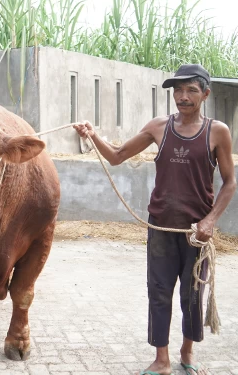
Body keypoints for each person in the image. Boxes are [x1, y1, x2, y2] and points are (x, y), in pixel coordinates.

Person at [73, 64, 236, 375]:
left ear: (205, 94)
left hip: (195, 233)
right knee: (158, 291)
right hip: (160, 225)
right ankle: (161, 360)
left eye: (190, 90)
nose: (182, 97)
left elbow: (230, 182)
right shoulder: (159, 127)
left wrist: (211, 220)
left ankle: (186, 354)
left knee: (192, 294)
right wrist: (92, 135)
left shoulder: (218, 132)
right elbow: (118, 156)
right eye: (177, 90)